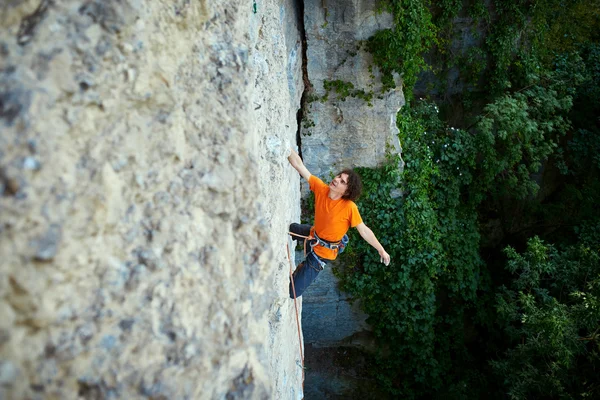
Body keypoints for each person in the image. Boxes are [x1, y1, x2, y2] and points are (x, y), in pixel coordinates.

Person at [287, 148, 391, 298]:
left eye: (342, 181)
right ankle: (304, 237)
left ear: (347, 191)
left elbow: (364, 230)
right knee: (291, 229)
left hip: (322, 254)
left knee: (293, 292)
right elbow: (299, 165)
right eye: (338, 176)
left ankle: (301, 267)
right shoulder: (321, 188)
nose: (336, 180)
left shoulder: (349, 207)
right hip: (314, 234)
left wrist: (381, 249)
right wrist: (287, 148)